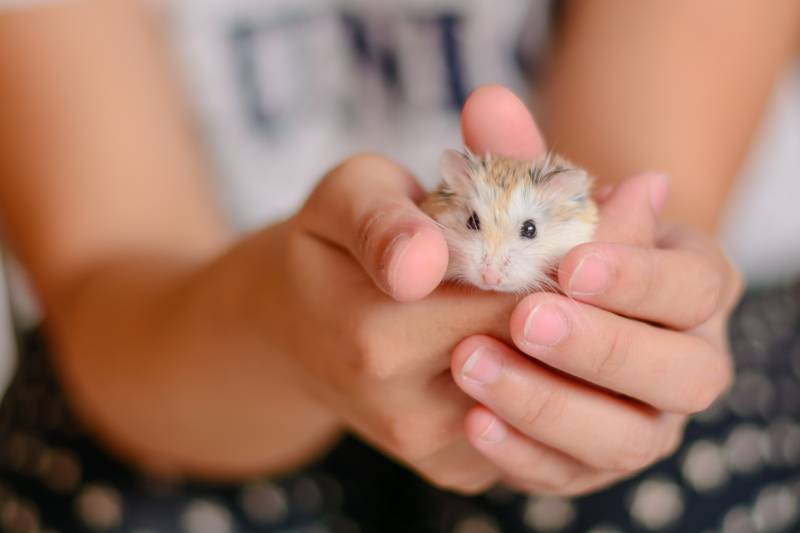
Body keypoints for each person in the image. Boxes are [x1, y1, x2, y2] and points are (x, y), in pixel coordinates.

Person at [0, 1, 797, 531]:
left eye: (521, 233)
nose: (491, 263)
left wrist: (643, 293)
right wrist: (279, 327)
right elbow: (103, 267)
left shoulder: (568, 202)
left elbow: (640, 165)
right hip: (182, 325)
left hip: (758, 300)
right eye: (475, 228)